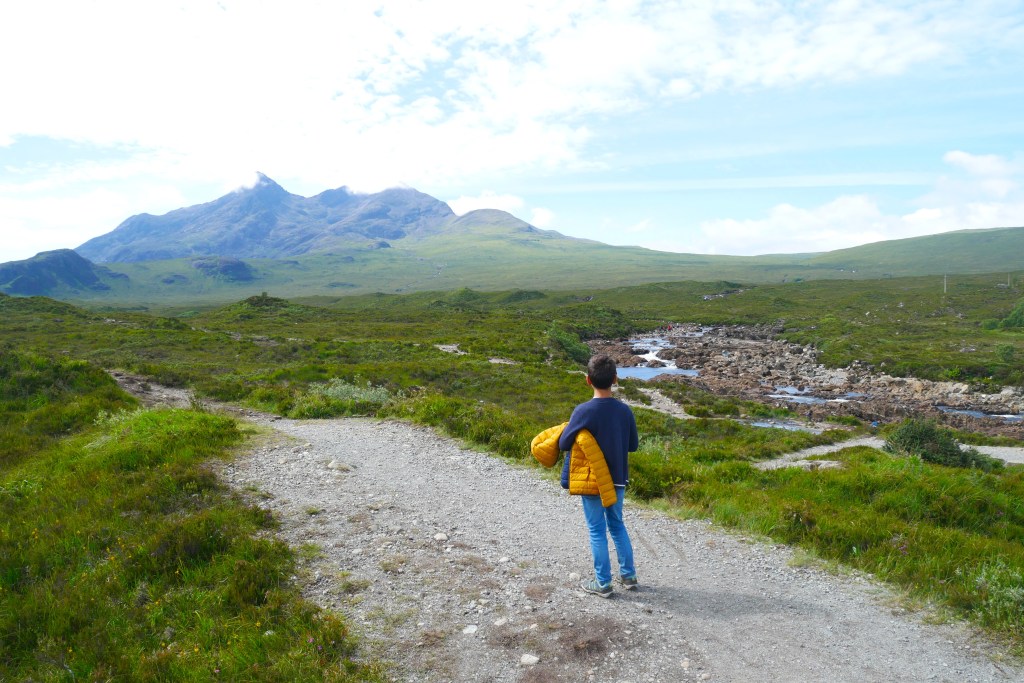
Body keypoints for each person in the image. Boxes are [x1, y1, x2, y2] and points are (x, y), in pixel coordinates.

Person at [559, 353, 639, 597]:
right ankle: (629, 576)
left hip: (593, 480)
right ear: (615, 379)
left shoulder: (583, 411)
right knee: (617, 525)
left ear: (587, 380)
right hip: (617, 479)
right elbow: (633, 446)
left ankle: (603, 583)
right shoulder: (625, 411)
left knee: (596, 529)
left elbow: (563, 443)